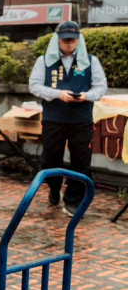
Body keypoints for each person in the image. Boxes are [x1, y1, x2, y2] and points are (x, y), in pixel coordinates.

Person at [28, 20, 107, 216]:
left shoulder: (91, 61)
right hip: (54, 119)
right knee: (49, 160)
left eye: (72, 40)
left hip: (81, 120)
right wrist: (57, 94)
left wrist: (86, 96)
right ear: (58, 40)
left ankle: (73, 200)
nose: (69, 43)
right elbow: (34, 86)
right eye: (65, 40)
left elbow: (101, 87)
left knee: (81, 162)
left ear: (78, 40)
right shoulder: (44, 61)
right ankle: (54, 187)